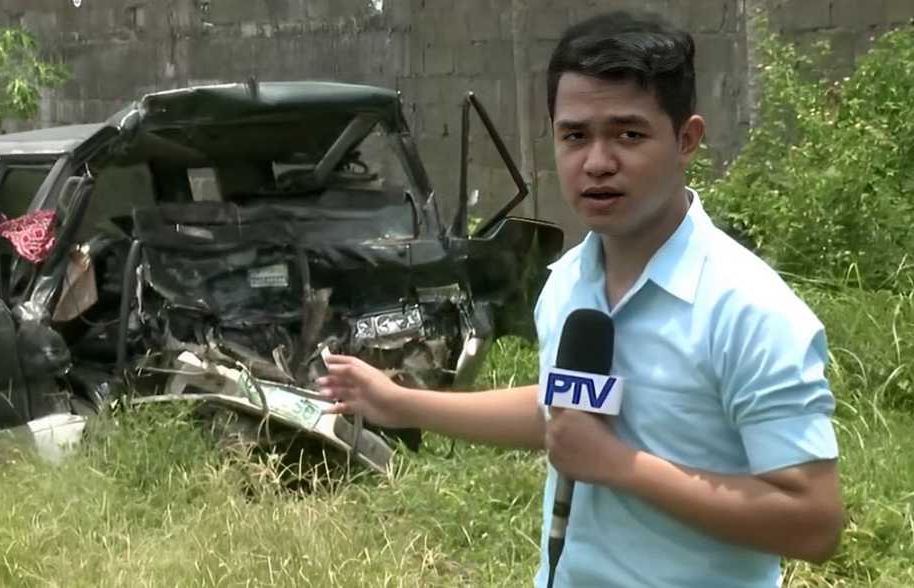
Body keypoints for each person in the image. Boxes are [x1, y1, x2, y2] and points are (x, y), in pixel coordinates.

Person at [317, 10, 844, 587]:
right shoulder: (567, 282)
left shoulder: (750, 311)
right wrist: (402, 402)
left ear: (686, 139)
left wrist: (620, 467)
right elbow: (562, 410)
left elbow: (812, 522)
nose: (596, 162)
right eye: (575, 135)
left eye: (628, 134)